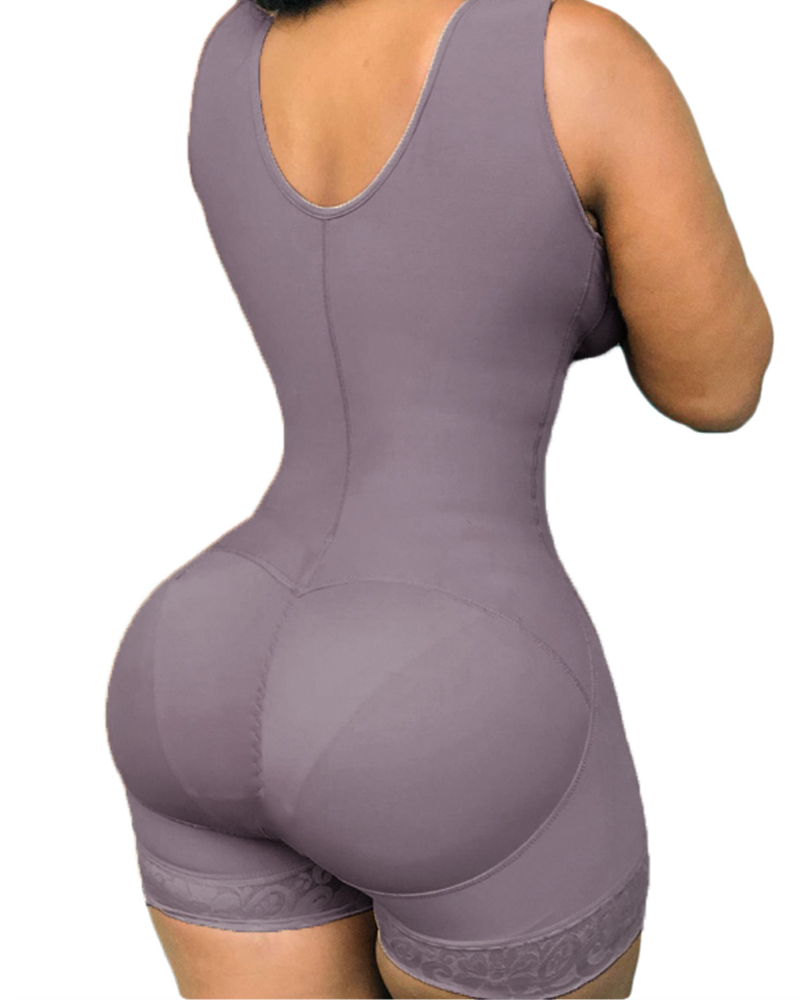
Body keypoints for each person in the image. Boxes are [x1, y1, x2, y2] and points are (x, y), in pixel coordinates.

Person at [104, 0, 773, 997]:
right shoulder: (577, 58)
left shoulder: (233, 49)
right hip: (451, 684)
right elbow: (714, 386)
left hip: (198, 652)